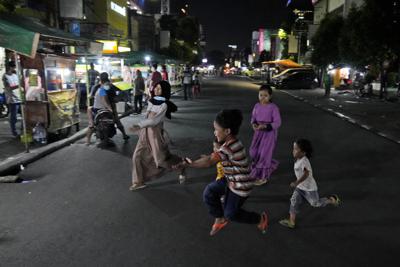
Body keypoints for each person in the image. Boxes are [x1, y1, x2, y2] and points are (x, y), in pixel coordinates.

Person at [175, 109, 268, 236]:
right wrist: (208, 157)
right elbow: (213, 157)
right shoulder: (229, 143)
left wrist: (190, 164)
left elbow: (209, 162)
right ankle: (219, 218)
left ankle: (259, 219)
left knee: (231, 214)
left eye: (216, 129)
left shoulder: (229, 147)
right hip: (230, 179)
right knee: (210, 192)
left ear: (227, 131)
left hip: (240, 186)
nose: (214, 132)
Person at [129, 80, 184, 191]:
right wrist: (140, 128)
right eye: (156, 87)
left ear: (164, 91)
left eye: (159, 88)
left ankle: (181, 164)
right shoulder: (151, 101)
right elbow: (147, 117)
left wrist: (139, 125)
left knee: (161, 160)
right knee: (137, 156)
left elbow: (154, 121)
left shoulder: (164, 105)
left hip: (155, 134)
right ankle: (138, 182)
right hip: (144, 133)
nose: (156, 90)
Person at [279, 139, 340, 229]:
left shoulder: (304, 161)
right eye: (293, 148)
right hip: (300, 188)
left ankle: (332, 200)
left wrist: (296, 182)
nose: (293, 151)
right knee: (294, 201)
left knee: (315, 203)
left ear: (303, 152)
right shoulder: (298, 159)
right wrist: (298, 184)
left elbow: (306, 174)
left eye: (296, 149)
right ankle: (291, 222)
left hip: (309, 189)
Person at [250, 85, 281, 186]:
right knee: (253, 152)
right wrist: (254, 124)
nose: (263, 97)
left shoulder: (273, 108)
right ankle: (269, 164)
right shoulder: (256, 106)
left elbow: (277, 122)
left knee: (264, 154)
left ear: (270, 96)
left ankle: (263, 177)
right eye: (260, 95)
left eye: (265, 95)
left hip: (269, 134)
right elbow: (253, 118)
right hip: (258, 133)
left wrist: (265, 126)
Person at [86, 73, 129, 144]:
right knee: (117, 121)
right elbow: (112, 99)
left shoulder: (97, 86)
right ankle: (124, 135)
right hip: (110, 107)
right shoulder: (110, 86)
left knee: (91, 123)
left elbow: (91, 96)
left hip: (98, 108)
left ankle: (88, 141)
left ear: (100, 78)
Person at [2, 61, 22, 137]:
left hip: (19, 98)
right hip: (12, 99)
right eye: (14, 67)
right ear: (10, 67)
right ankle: (14, 132)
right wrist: (20, 85)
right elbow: (9, 87)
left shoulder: (15, 75)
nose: (15, 68)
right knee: (14, 117)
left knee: (24, 115)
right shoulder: (5, 76)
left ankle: (22, 130)